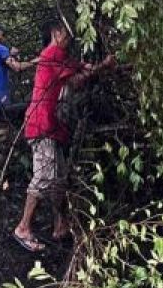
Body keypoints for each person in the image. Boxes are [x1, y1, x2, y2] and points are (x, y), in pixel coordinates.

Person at [13, 19, 114, 253]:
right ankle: (23, 227)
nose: (70, 38)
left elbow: (80, 67)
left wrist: (97, 67)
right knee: (45, 176)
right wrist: (102, 68)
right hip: (41, 125)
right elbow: (76, 80)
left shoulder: (59, 56)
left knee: (58, 178)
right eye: (67, 34)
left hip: (51, 125)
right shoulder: (53, 52)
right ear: (56, 33)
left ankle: (61, 225)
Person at [0, 24, 37, 108]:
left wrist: (11, 55)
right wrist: (35, 61)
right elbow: (17, 67)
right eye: (1, 35)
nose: (3, 38)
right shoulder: (0, 48)